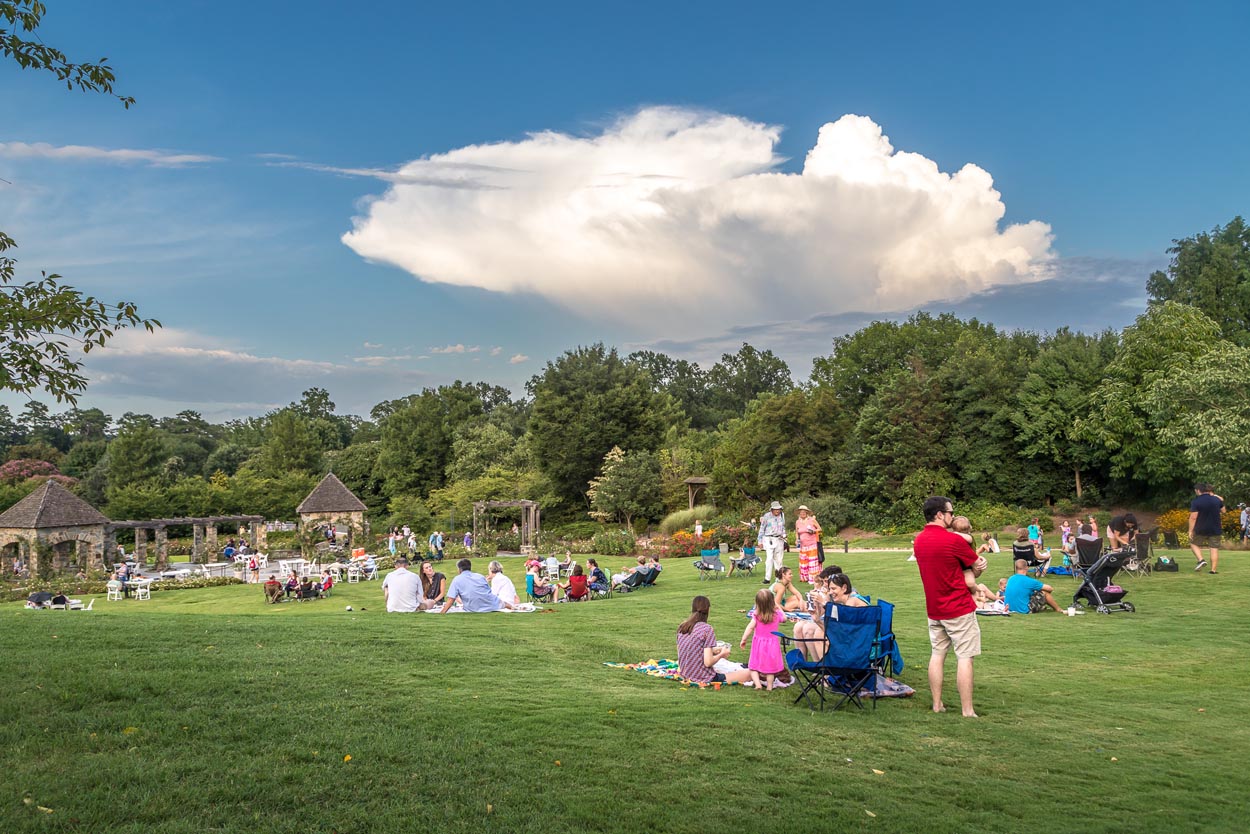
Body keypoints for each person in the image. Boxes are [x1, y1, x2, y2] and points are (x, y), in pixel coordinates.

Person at [914, 496, 986, 718]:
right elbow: (973, 569)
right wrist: (980, 568)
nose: (952, 516)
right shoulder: (953, 541)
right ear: (939, 514)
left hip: (934, 608)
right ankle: (967, 710)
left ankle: (937, 704)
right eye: (951, 513)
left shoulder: (919, 541)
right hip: (958, 607)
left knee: (937, 654)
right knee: (965, 657)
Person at [675, 596, 753, 685]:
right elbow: (708, 663)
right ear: (708, 610)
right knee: (751, 673)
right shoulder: (706, 629)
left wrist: (714, 651)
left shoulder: (682, 626)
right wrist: (721, 655)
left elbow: (685, 651)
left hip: (685, 673)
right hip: (702, 677)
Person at [740, 589, 785, 690]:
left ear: (757, 603)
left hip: (758, 644)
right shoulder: (776, 614)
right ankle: (769, 686)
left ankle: (758, 684)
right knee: (770, 669)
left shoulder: (756, 615)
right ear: (772, 602)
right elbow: (785, 619)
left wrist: (744, 639)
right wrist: (779, 608)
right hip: (772, 644)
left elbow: (750, 627)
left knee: (753, 666)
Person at [438, 559, 509, 613]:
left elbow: (451, 599)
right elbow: (488, 592)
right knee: (505, 604)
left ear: (459, 569)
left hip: (472, 608)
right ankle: (513, 608)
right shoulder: (480, 576)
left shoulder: (457, 579)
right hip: (491, 605)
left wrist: (443, 612)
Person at [1189, 482, 1225, 573]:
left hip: (1201, 528)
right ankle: (1213, 570)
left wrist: (1190, 531)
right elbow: (1224, 511)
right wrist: (1219, 499)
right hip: (1215, 528)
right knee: (1214, 548)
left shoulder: (1196, 501)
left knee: (1193, 543)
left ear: (1198, 491)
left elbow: (1193, 517)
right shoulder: (1217, 500)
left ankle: (1201, 560)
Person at [756, 500, 786, 585]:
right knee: (769, 559)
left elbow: (783, 527)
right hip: (769, 539)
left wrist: (784, 535)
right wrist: (760, 540)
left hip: (779, 539)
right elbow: (762, 528)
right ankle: (767, 578)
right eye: (776, 509)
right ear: (772, 509)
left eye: (779, 509)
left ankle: (778, 577)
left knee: (779, 559)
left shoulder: (782, 515)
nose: (777, 511)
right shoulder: (766, 516)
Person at [795, 505, 822, 583]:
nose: (802, 513)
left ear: (807, 513)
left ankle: (813, 578)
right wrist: (797, 539)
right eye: (801, 512)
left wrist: (813, 531)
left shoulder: (812, 520)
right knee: (804, 561)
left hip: (812, 544)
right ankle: (804, 578)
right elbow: (797, 532)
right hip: (803, 546)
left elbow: (820, 529)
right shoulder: (797, 522)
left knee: (812, 562)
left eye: (804, 512)